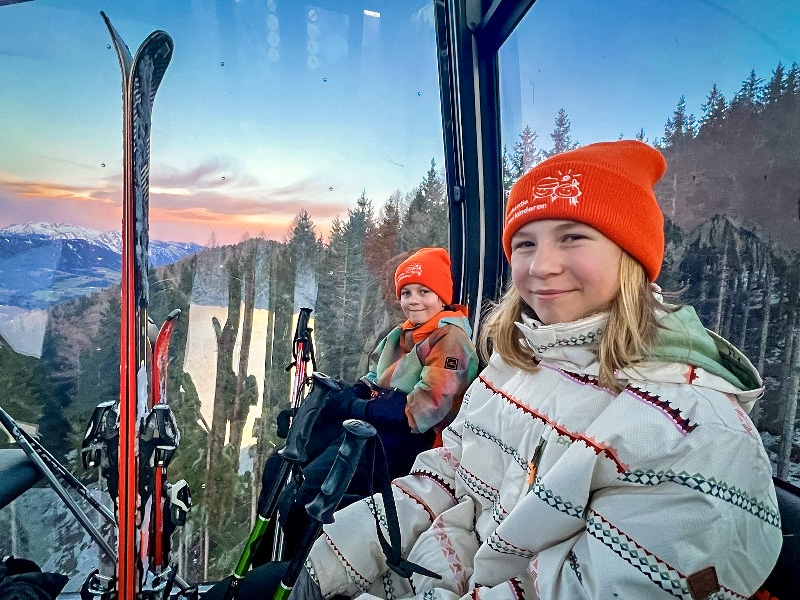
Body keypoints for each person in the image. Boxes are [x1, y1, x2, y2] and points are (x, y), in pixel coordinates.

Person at [288, 140, 782, 600]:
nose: (541, 266)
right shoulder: (517, 361)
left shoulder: (691, 431)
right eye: (524, 243)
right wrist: (333, 560)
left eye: (572, 237)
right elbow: (447, 478)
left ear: (630, 253)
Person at [277, 247, 480, 557]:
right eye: (407, 292)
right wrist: (347, 396)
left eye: (424, 291)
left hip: (414, 442)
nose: (413, 300)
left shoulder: (450, 340)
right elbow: (375, 375)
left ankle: (305, 565)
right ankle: (294, 558)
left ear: (442, 295)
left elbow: (427, 408)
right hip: (380, 428)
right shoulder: (403, 333)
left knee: (313, 491)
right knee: (294, 468)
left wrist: (360, 408)